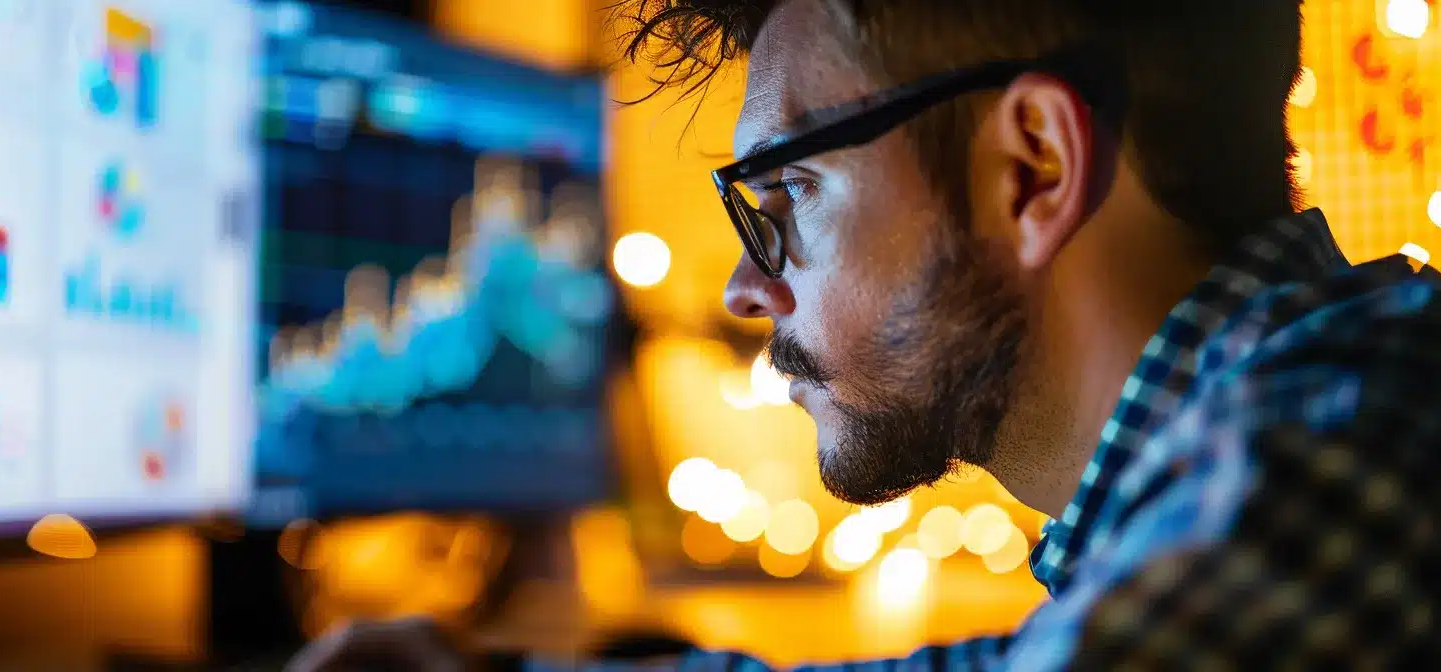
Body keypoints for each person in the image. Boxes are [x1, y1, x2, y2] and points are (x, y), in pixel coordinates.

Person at [285, 0, 1440, 669]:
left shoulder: (1346, 444)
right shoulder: (1279, 434)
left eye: (789, 200)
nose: (745, 287)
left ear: (1033, 166)